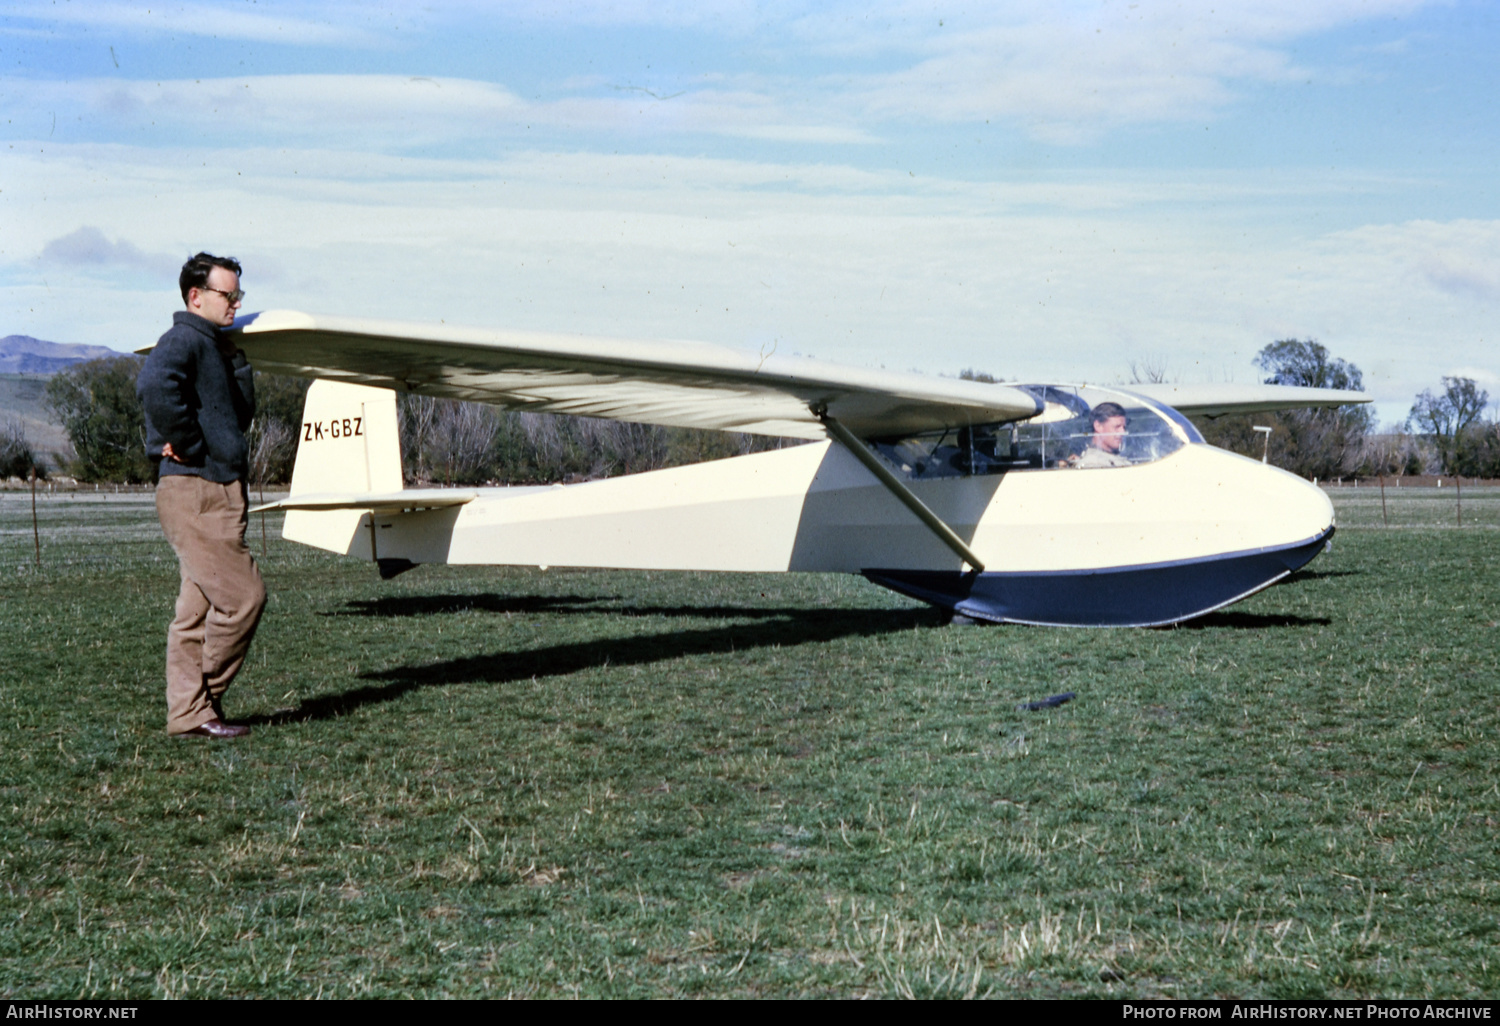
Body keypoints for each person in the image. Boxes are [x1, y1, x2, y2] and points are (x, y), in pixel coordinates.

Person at [137, 253, 265, 738]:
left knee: (195, 613)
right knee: (245, 597)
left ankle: (187, 714)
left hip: (218, 489)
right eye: (226, 295)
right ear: (196, 296)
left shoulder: (212, 346)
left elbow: (236, 418)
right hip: (196, 490)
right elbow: (153, 384)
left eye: (239, 295)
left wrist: (237, 364)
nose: (234, 303)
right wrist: (187, 443)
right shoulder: (184, 338)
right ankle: (195, 705)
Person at [1070, 401, 1133, 469]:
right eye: (1117, 427)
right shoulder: (1093, 463)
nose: (1122, 432)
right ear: (1098, 426)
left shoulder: (1114, 457)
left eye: (1124, 427)